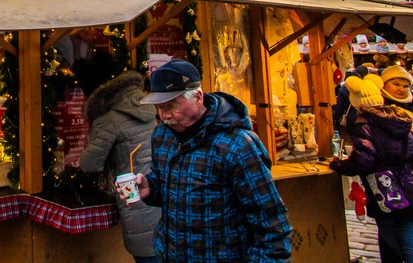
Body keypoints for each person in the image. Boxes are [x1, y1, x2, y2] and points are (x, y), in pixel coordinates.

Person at [131, 60, 291, 262]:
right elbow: (171, 190)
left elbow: (272, 225)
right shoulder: (162, 136)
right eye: (159, 108)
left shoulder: (237, 146)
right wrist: (150, 188)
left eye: (171, 106)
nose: (164, 116)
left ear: (198, 97)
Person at [330, 74, 413, 262]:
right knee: (408, 233)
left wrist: (338, 164)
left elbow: (363, 160)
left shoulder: (365, 125)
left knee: (390, 235)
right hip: (408, 185)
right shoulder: (400, 120)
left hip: (384, 191)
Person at [79, 71, 161, 263]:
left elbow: (89, 164)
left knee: (147, 253)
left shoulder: (107, 120)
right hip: (161, 193)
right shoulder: (151, 108)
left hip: (134, 196)